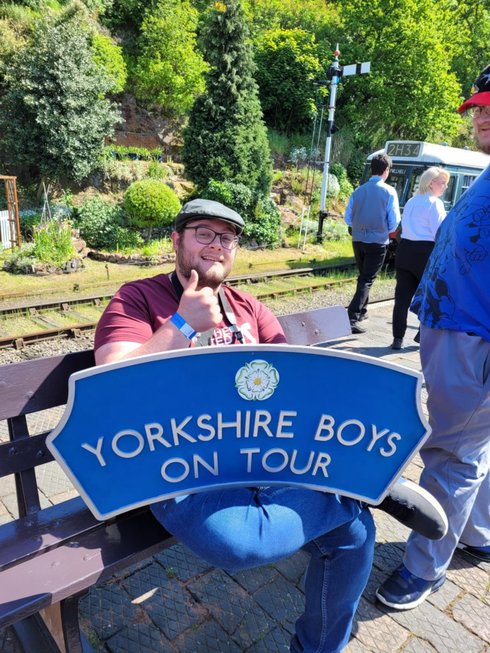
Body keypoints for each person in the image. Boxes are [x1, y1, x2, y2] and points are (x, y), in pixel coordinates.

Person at [95, 198, 446, 651]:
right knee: (240, 546)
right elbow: (110, 386)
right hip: (178, 464)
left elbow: (292, 383)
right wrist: (182, 324)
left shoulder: (249, 308)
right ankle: (358, 490)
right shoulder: (137, 297)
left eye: (227, 237)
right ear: (176, 240)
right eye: (204, 232)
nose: (217, 245)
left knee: (355, 536)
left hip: (265, 457)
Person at [377, 63, 490, 611]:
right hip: (455, 329)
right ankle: (478, 533)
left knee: (450, 453)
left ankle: (426, 567)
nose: (483, 117)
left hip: (475, 339)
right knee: (473, 448)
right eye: (480, 108)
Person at [390, 167, 450, 350]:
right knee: (430, 297)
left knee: (401, 299)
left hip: (405, 250)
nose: (445, 187)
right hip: (425, 253)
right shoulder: (435, 203)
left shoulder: (411, 201)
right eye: (442, 183)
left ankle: (397, 338)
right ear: (431, 183)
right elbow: (440, 233)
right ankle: (421, 335)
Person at [344, 153, 401, 334]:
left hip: (358, 240)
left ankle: (362, 311)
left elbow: (348, 218)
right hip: (377, 241)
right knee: (367, 279)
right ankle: (352, 317)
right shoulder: (389, 191)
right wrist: (383, 230)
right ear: (386, 171)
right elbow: (394, 221)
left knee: (363, 276)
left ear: (372, 169)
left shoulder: (358, 191)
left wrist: (360, 227)